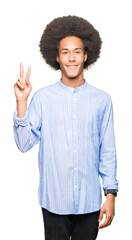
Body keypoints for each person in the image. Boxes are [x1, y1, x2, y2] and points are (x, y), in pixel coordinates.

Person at [13, 15, 119, 240]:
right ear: (57, 57)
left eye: (77, 52)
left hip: (89, 203)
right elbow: (23, 144)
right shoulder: (42, 98)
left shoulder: (102, 100)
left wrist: (110, 195)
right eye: (65, 52)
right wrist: (22, 102)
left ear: (86, 55)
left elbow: (107, 151)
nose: (71, 58)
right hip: (54, 202)